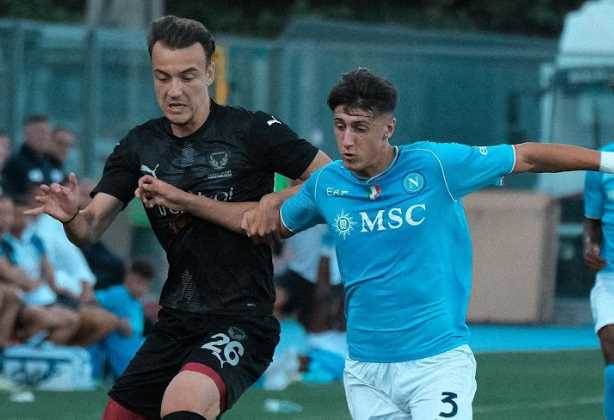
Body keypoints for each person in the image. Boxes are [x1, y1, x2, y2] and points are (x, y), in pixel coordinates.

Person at [242, 68, 614, 420]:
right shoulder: (328, 184)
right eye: (340, 126)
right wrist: (244, 204)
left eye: (360, 127)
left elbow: (528, 157)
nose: (347, 140)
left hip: (436, 364)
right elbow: (264, 223)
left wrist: (608, 161)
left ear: (388, 128)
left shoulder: (436, 165)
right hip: (366, 371)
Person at [27, 15, 329, 420]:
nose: (174, 90)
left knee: (183, 401)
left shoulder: (251, 129)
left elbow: (331, 179)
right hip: (176, 321)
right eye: (162, 77)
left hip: (242, 318)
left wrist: (275, 201)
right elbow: (90, 227)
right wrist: (70, 217)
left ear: (209, 73)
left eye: (187, 76)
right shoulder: (140, 145)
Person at [583, 149, 614, 420]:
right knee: (610, 343)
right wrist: (590, 245)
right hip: (610, 277)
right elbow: (592, 221)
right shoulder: (601, 161)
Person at [89, 259, 154, 380]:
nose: (142, 289)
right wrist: (115, 321)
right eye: (139, 283)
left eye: (145, 285)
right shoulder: (119, 294)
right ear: (128, 277)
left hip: (135, 347)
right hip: (124, 352)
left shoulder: (136, 302)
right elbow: (91, 301)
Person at [2, 115, 61, 196]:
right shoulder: (13, 163)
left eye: (46, 133)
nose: (43, 137)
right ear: (26, 134)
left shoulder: (53, 164)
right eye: (38, 132)